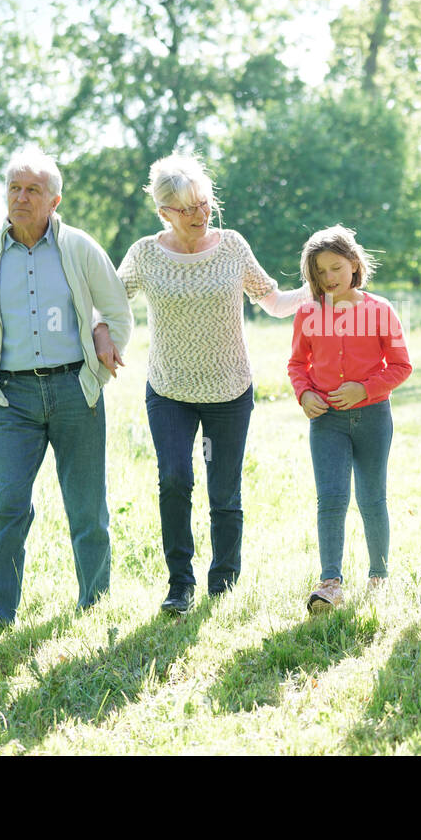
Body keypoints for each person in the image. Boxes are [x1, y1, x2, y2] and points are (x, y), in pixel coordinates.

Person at [93, 154, 308, 615]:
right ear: (164, 213)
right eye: (186, 208)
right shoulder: (145, 254)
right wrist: (100, 332)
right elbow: (107, 300)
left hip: (229, 389)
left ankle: (223, 583)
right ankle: (180, 584)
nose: (198, 215)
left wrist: (320, 286)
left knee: (223, 489)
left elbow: (271, 301)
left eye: (204, 204)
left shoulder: (231, 246)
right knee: (174, 479)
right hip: (169, 390)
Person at [0, 145, 133, 632]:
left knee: (87, 507)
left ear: (54, 201)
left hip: (76, 391)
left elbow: (118, 311)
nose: (21, 197)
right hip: (12, 401)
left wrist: (102, 349)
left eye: (33, 190)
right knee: (8, 506)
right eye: (14, 187)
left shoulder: (79, 248)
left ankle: (94, 606)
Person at [287, 226, 412, 613]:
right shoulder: (308, 313)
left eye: (336, 268)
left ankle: (379, 577)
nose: (329, 278)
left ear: (354, 265)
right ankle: (330, 582)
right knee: (331, 499)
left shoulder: (380, 311)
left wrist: (366, 389)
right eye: (320, 272)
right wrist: (304, 392)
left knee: (372, 498)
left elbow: (402, 367)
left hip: (374, 417)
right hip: (326, 422)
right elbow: (297, 364)